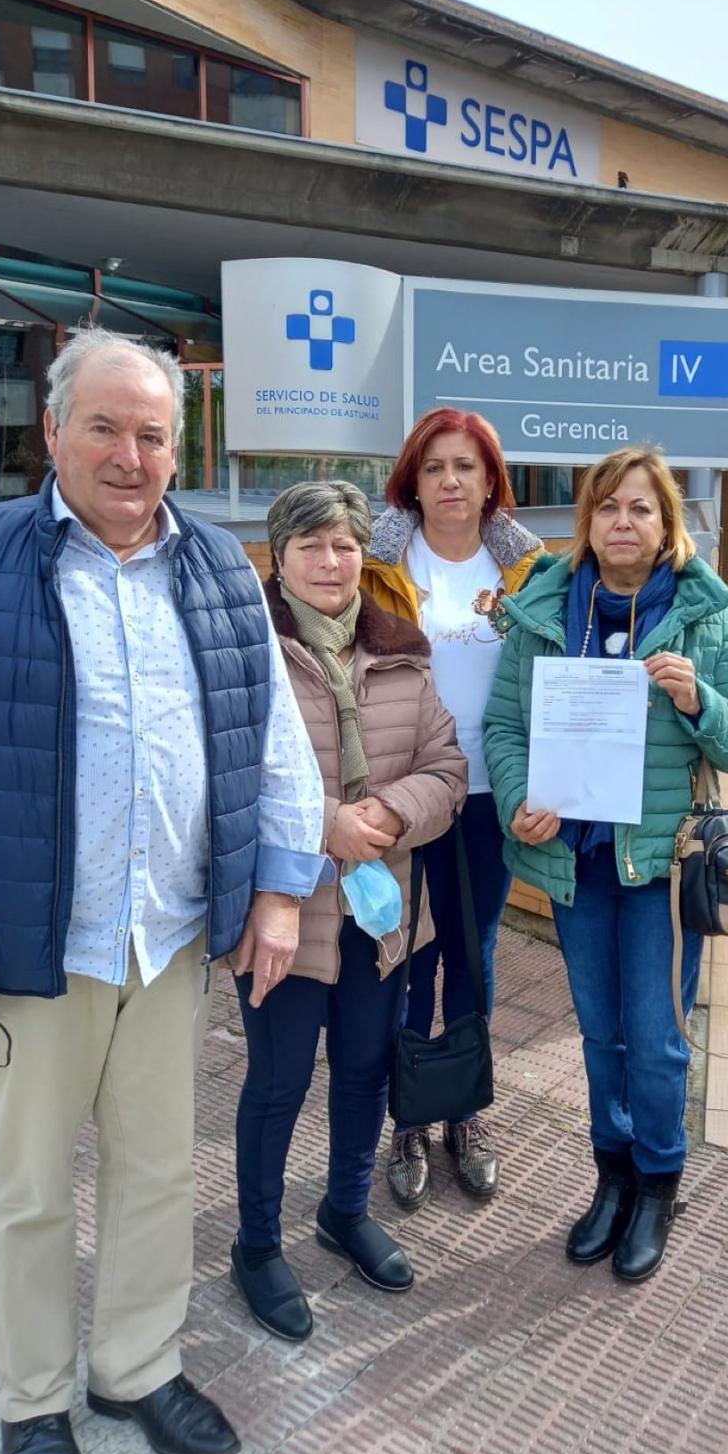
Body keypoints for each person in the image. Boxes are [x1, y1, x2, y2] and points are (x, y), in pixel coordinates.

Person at [0, 328, 327, 1454]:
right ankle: (31, 1401)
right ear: (54, 433)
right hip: (28, 949)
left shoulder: (218, 568)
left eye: (152, 434)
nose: (130, 455)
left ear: (178, 449)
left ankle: (135, 1370)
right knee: (29, 1187)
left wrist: (280, 890)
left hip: (167, 939)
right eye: (105, 428)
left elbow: (274, 738)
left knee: (160, 1170)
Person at [482, 447, 728, 1283]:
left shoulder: (701, 615)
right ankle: (611, 1178)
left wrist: (698, 697)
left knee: (655, 1041)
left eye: (641, 508)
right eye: (608, 506)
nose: (622, 522)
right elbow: (504, 726)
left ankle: (657, 1184)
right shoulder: (544, 608)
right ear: (588, 521)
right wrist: (518, 798)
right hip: (575, 863)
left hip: (661, 871)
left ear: (666, 523)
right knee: (601, 1036)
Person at [231, 481, 467, 1339]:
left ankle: (344, 1209)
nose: (331, 562)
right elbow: (223, 781)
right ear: (280, 556)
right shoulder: (245, 650)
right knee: (280, 1080)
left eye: (345, 545)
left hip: (381, 916)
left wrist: (391, 813)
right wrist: (321, 822)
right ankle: (258, 1245)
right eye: (311, 545)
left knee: (365, 1068)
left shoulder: (404, 651)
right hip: (283, 914)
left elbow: (448, 770)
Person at [361, 408, 543, 1206]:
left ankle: (465, 1110)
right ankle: (409, 1115)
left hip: (490, 793)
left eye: (466, 466)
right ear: (413, 480)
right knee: (408, 954)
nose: (450, 481)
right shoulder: (378, 564)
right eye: (434, 467)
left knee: (474, 951)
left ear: (491, 480)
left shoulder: (529, 572)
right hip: (408, 792)